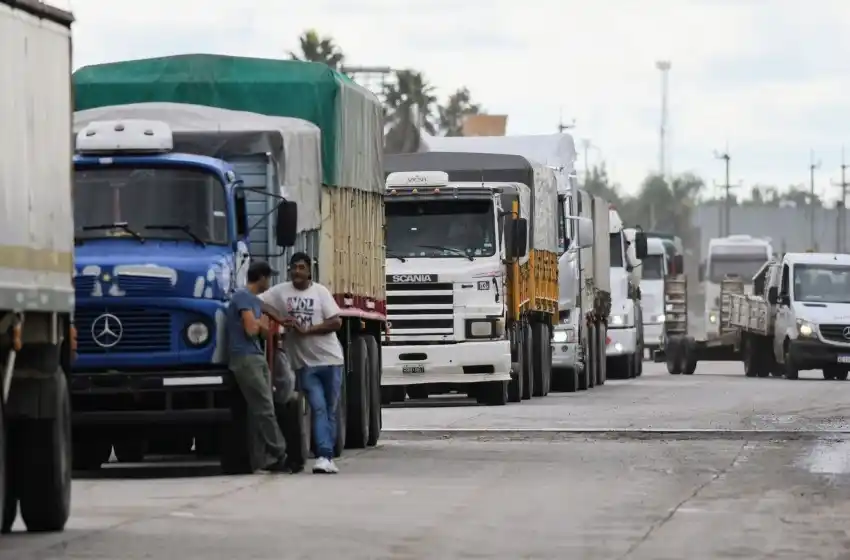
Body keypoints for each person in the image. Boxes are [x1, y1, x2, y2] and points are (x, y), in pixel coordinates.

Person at [261, 252, 345, 474]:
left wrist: (308, 330)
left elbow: (336, 321)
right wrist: (278, 318)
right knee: (318, 407)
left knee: (329, 409)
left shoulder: (320, 292)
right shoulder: (281, 291)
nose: (297, 272)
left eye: (301, 268)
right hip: (306, 365)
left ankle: (328, 456)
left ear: (309, 271)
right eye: (293, 268)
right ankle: (324, 456)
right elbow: (254, 300)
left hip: (331, 361)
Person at [226, 260, 292, 473]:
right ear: (261, 278)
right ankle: (281, 454)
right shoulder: (242, 297)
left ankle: (264, 455)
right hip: (245, 358)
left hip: (255, 356)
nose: (269, 282)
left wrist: (271, 322)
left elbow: (264, 329)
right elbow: (251, 329)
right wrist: (260, 324)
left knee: (263, 407)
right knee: (264, 408)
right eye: (268, 278)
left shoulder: (253, 300)